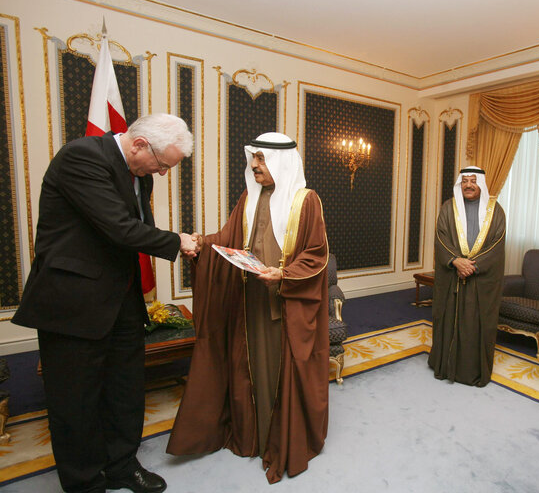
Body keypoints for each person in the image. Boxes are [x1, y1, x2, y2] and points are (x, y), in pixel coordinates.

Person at [12, 113, 197, 493]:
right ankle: (84, 483)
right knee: (75, 401)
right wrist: (177, 241)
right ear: (140, 143)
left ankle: (122, 467)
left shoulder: (140, 174)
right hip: (72, 302)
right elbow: (117, 226)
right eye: (163, 164)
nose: (162, 174)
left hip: (122, 300)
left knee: (125, 391)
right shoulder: (81, 157)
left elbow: (134, 228)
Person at [167, 132, 329, 484]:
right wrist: (200, 243)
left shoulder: (306, 201)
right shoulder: (248, 197)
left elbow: (316, 255)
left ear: (281, 162)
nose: (254, 165)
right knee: (248, 367)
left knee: (276, 370)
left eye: (261, 159)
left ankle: (280, 437)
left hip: (284, 303)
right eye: (253, 158)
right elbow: (228, 239)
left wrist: (284, 275)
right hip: (249, 301)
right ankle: (252, 435)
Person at [428, 166, 506, 387]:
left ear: (481, 183)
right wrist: (455, 261)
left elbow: (496, 245)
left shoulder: (496, 211)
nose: (469, 185)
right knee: (448, 319)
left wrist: (472, 266)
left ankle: (471, 370)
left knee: (475, 324)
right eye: (465, 181)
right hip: (452, 276)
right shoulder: (447, 208)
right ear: (459, 184)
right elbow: (440, 237)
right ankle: (445, 364)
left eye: (473, 181)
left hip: (481, 281)